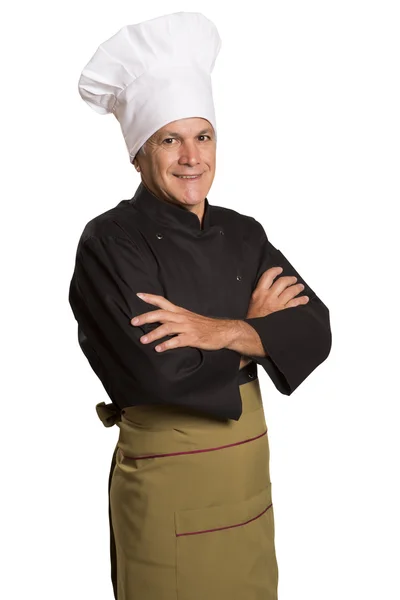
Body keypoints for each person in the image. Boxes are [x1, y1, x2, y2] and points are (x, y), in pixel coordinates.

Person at [68, 11, 332, 600]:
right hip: (168, 492)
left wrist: (224, 331)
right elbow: (158, 370)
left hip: (247, 490)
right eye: (170, 139)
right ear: (139, 152)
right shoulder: (110, 242)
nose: (192, 157)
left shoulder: (243, 233)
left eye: (203, 136)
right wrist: (261, 332)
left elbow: (315, 329)